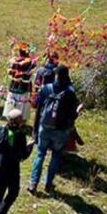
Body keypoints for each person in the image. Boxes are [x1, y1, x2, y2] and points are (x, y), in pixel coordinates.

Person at [27, 65, 79, 195]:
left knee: (40, 153)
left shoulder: (46, 88)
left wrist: (35, 129)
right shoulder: (70, 93)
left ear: (56, 75)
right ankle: (48, 184)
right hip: (60, 130)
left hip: (44, 126)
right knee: (55, 155)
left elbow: (38, 109)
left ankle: (33, 183)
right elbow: (72, 115)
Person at [0, 109, 34, 214]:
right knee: (13, 191)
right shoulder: (19, 135)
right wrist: (30, 146)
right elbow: (23, 155)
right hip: (12, 167)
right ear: (19, 122)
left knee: (0, 188)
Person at [2, 42, 37, 121]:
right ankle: (21, 119)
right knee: (22, 102)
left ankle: (10, 117)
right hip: (24, 86)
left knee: (12, 100)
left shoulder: (14, 60)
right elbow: (31, 74)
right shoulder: (30, 62)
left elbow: (9, 72)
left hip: (14, 85)